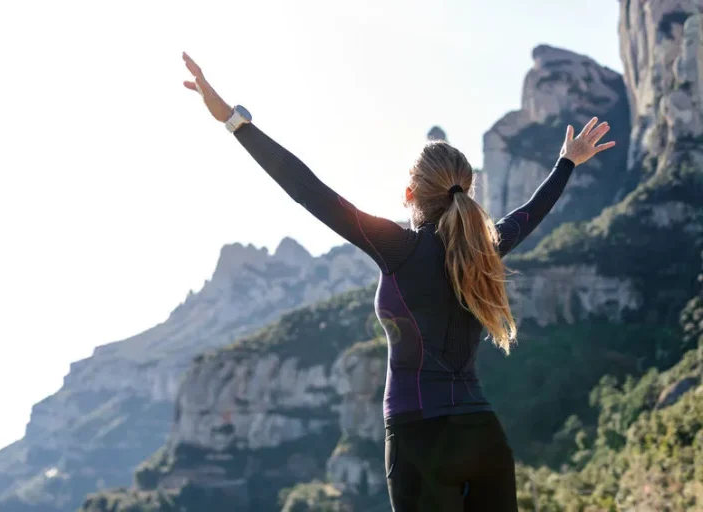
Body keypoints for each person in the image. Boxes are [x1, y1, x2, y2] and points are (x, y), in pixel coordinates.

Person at [180, 51, 615, 511]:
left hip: (419, 437)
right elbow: (530, 212)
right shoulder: (481, 250)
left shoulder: (398, 247)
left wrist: (233, 121)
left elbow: (307, 188)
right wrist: (566, 162)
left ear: (410, 194)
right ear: (467, 191)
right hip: (482, 435)